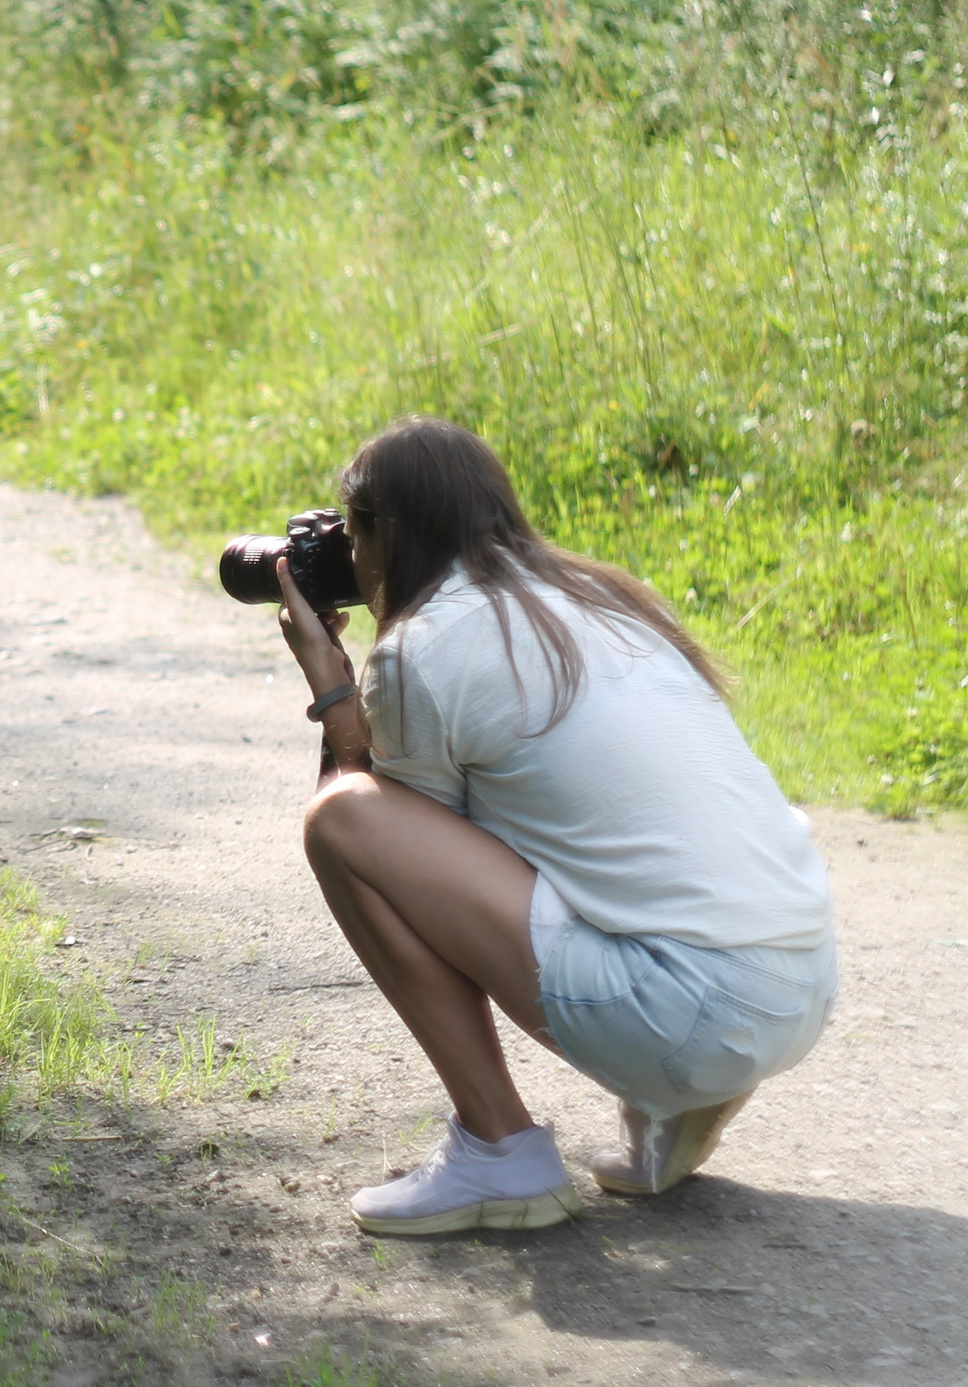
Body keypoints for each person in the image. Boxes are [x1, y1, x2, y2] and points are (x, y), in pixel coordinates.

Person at [277, 416, 837, 1236]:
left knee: (339, 821)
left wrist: (336, 697)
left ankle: (498, 1151)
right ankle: (679, 1102)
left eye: (352, 532)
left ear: (384, 533)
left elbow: (402, 847)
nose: (350, 556)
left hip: (690, 1014)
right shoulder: (603, 596)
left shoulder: (424, 649)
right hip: (800, 984)